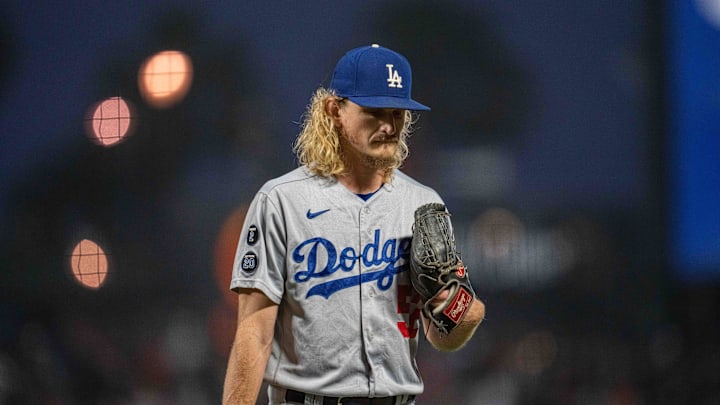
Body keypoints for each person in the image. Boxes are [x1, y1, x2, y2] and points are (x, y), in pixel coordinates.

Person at [223, 44, 485, 405]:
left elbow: (441, 336)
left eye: (398, 112)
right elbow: (254, 332)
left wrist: (463, 314)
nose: (389, 125)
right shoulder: (282, 201)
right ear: (334, 110)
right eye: (374, 111)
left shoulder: (423, 205)